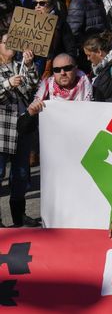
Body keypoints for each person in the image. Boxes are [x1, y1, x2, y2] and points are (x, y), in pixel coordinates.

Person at [0, 34, 37, 227]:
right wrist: (7, 84)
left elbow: (32, 85)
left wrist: (29, 65)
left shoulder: (18, 64)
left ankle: (19, 216)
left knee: (21, 174)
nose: (12, 46)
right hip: (2, 130)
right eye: (7, 42)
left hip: (22, 128)